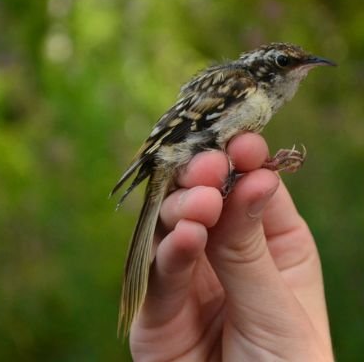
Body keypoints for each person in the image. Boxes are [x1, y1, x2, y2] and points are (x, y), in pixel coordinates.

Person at [128, 132, 334, 361]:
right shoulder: (248, 96)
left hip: (194, 159)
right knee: (221, 174)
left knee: (225, 173)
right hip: (181, 149)